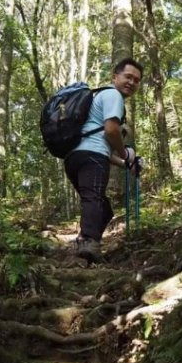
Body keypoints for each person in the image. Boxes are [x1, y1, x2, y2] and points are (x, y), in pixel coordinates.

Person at [64, 58, 143, 263]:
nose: (132, 82)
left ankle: (86, 246)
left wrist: (126, 164)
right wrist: (126, 153)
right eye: (128, 77)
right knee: (94, 199)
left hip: (75, 157)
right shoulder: (113, 95)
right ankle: (88, 244)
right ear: (114, 77)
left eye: (136, 80)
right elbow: (111, 130)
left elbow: (104, 150)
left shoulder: (97, 97)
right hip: (92, 156)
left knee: (103, 208)